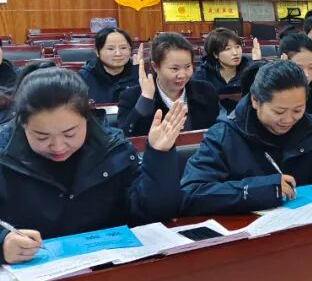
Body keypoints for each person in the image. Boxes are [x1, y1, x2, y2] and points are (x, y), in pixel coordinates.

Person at [0, 68, 185, 263]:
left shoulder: (113, 149)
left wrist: (159, 156)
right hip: (33, 273)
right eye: (42, 137)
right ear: (22, 124)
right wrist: (3, 243)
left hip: (108, 269)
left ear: (87, 118)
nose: (58, 146)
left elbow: (154, 213)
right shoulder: (5, 157)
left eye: (70, 134)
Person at [180, 60, 312, 215]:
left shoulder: (311, 128)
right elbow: (191, 193)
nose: (288, 119)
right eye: (279, 111)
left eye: (298, 110)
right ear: (255, 101)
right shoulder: (223, 136)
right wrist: (259, 190)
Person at [118, 35, 221, 137]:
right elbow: (126, 136)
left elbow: (219, 131)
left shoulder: (206, 91)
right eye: (174, 69)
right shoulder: (131, 96)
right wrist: (146, 99)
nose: (182, 75)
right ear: (155, 66)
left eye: (188, 66)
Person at [240, 33, 312, 115]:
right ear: (284, 61)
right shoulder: (267, 85)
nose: (307, 74)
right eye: (299, 68)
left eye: (311, 67)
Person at [76, 27, 140, 105]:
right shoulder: (83, 78)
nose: (118, 53)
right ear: (97, 52)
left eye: (123, 48)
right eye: (110, 49)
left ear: (130, 50)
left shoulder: (139, 75)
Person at [194, 27, 261, 95]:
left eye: (237, 47)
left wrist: (257, 64)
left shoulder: (250, 70)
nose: (235, 53)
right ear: (215, 54)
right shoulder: (203, 76)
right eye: (228, 49)